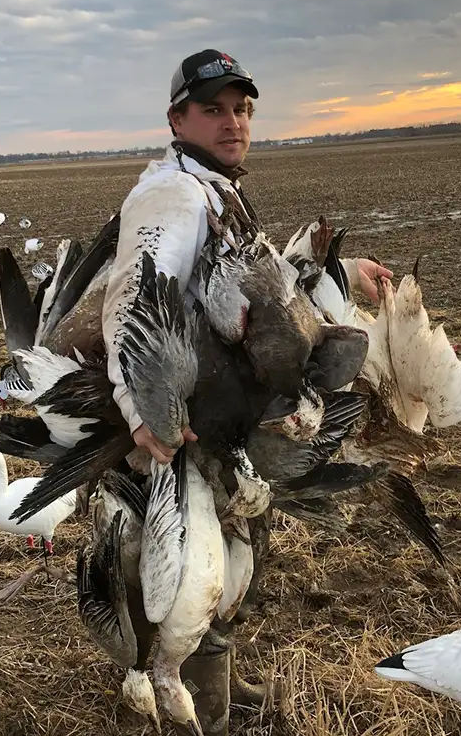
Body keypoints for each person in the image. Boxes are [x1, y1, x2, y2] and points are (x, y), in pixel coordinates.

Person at [101, 48, 393, 462]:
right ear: (177, 119)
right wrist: (142, 409)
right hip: (188, 437)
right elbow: (132, 300)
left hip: (223, 426)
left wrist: (342, 271)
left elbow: (261, 286)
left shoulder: (212, 184)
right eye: (213, 109)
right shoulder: (175, 192)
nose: (232, 123)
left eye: (240, 109)